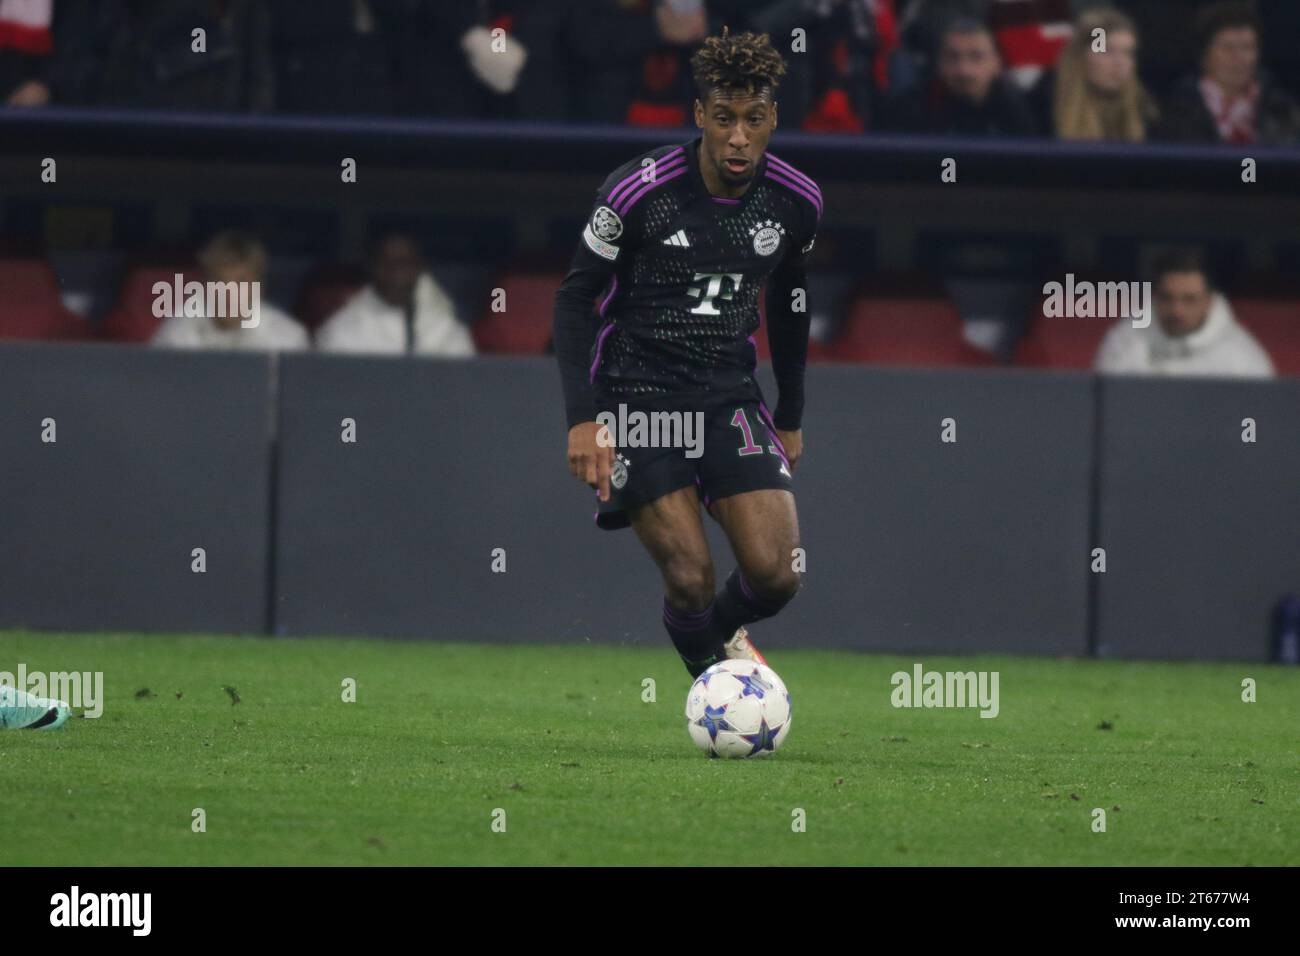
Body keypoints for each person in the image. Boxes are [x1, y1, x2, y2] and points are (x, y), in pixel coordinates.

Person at [552, 29, 821, 678]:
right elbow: (573, 300)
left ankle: (719, 645)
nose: (737, 137)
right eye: (723, 119)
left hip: (728, 394)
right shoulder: (637, 192)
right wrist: (584, 420)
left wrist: (790, 412)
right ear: (699, 115)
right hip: (637, 396)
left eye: (753, 121)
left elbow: (789, 305)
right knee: (691, 578)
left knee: (778, 574)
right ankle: (716, 686)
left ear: (772, 120)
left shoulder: (795, 201)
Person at [1094, 248, 1274, 378]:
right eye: (1167, 298)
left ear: (1209, 302)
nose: (1176, 310)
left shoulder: (1242, 359)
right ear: (1154, 296)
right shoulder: (1124, 343)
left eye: (1189, 300)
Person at [1157, 1, 1300, 146]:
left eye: (1247, 47)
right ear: (1204, 55)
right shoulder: (1178, 111)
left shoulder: (1280, 109)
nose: (1239, 58)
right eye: (1227, 48)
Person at [315, 234, 475, 356]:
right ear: (371, 268)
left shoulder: (445, 328)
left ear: (420, 269)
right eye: (387, 263)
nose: (397, 272)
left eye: (405, 263)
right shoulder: (342, 330)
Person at [152, 231, 309, 351]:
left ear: (259, 287)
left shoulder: (287, 340)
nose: (228, 292)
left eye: (240, 282)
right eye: (219, 281)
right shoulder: (177, 334)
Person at [885, 17, 1038, 136]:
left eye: (976, 57)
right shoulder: (909, 110)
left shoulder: (1020, 112)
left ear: (996, 64)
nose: (964, 70)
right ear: (939, 64)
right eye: (952, 57)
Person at [1034, 7, 1157, 142]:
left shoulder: (1144, 110)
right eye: (1107, 51)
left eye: (1128, 53)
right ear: (1079, 56)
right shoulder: (1044, 105)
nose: (1120, 63)